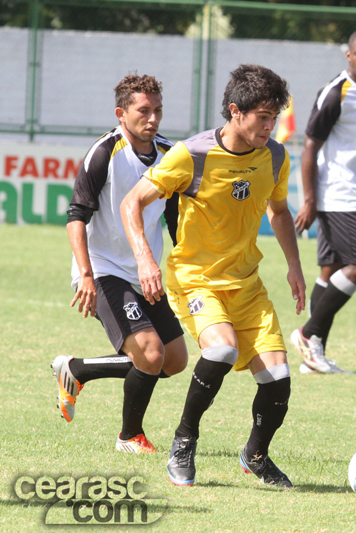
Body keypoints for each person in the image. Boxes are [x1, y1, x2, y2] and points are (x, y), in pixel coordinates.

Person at [121, 64, 305, 488]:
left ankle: (256, 455)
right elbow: (133, 201)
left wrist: (295, 266)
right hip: (196, 279)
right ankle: (184, 440)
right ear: (235, 111)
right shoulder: (192, 154)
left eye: (275, 117)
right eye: (263, 117)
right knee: (220, 350)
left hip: (247, 284)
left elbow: (278, 211)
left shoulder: (275, 156)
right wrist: (146, 261)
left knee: (278, 381)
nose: (270, 126)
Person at [55, 74, 188, 454]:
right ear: (121, 113)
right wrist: (85, 275)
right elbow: (77, 214)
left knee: (173, 359)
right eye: (143, 111)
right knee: (149, 353)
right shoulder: (105, 151)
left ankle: (76, 370)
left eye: (157, 110)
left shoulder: (169, 155)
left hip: (146, 273)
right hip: (103, 270)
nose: (153, 118)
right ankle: (130, 436)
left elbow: (176, 219)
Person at [291, 29, 356, 374]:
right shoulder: (336, 93)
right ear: (348, 56)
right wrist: (309, 200)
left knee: (330, 271)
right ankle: (308, 333)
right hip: (337, 193)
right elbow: (309, 146)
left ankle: (313, 355)